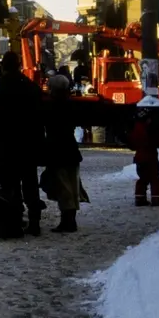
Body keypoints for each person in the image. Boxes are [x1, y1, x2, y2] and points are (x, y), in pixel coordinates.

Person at [0, 51, 47, 238]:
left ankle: (13, 223)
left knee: (9, 187)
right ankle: (34, 223)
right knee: (31, 185)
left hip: (4, 149)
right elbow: (41, 119)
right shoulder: (32, 90)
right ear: (19, 66)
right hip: (28, 148)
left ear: (3, 67)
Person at [40, 74, 88, 232]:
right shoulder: (72, 104)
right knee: (73, 186)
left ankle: (67, 221)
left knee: (62, 186)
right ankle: (70, 219)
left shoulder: (50, 106)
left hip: (56, 149)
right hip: (70, 148)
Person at [128, 106, 159, 207]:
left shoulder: (136, 128)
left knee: (142, 179)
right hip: (151, 156)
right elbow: (156, 140)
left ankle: (140, 199)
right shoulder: (150, 128)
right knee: (154, 178)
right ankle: (156, 199)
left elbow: (132, 142)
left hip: (139, 157)